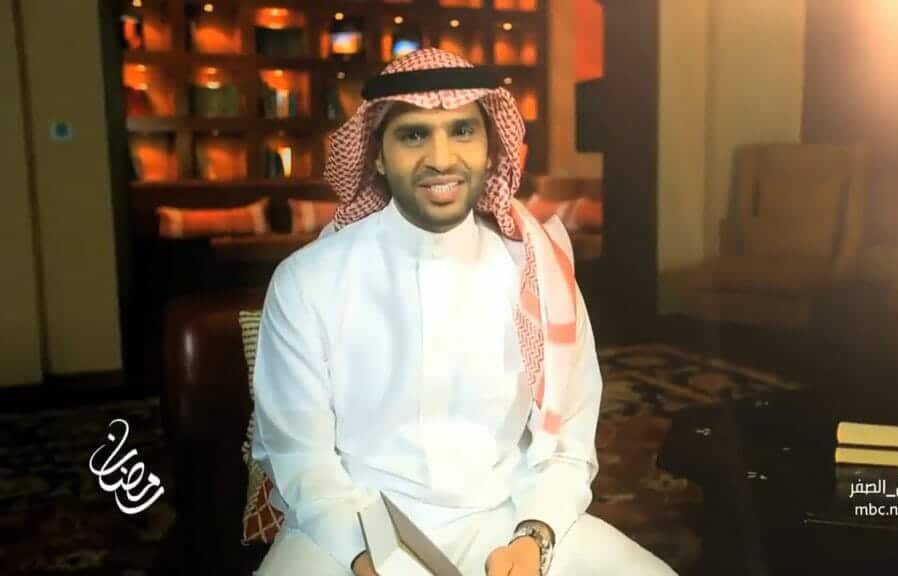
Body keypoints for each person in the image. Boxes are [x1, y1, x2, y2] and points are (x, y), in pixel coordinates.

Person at [251, 48, 677, 576]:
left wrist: (534, 538)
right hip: (351, 525)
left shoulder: (538, 272)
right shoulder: (308, 280)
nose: (441, 158)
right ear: (377, 155)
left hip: (506, 516)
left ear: (490, 148)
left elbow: (567, 442)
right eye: (413, 135)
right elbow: (302, 457)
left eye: (462, 131)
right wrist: (366, 559)